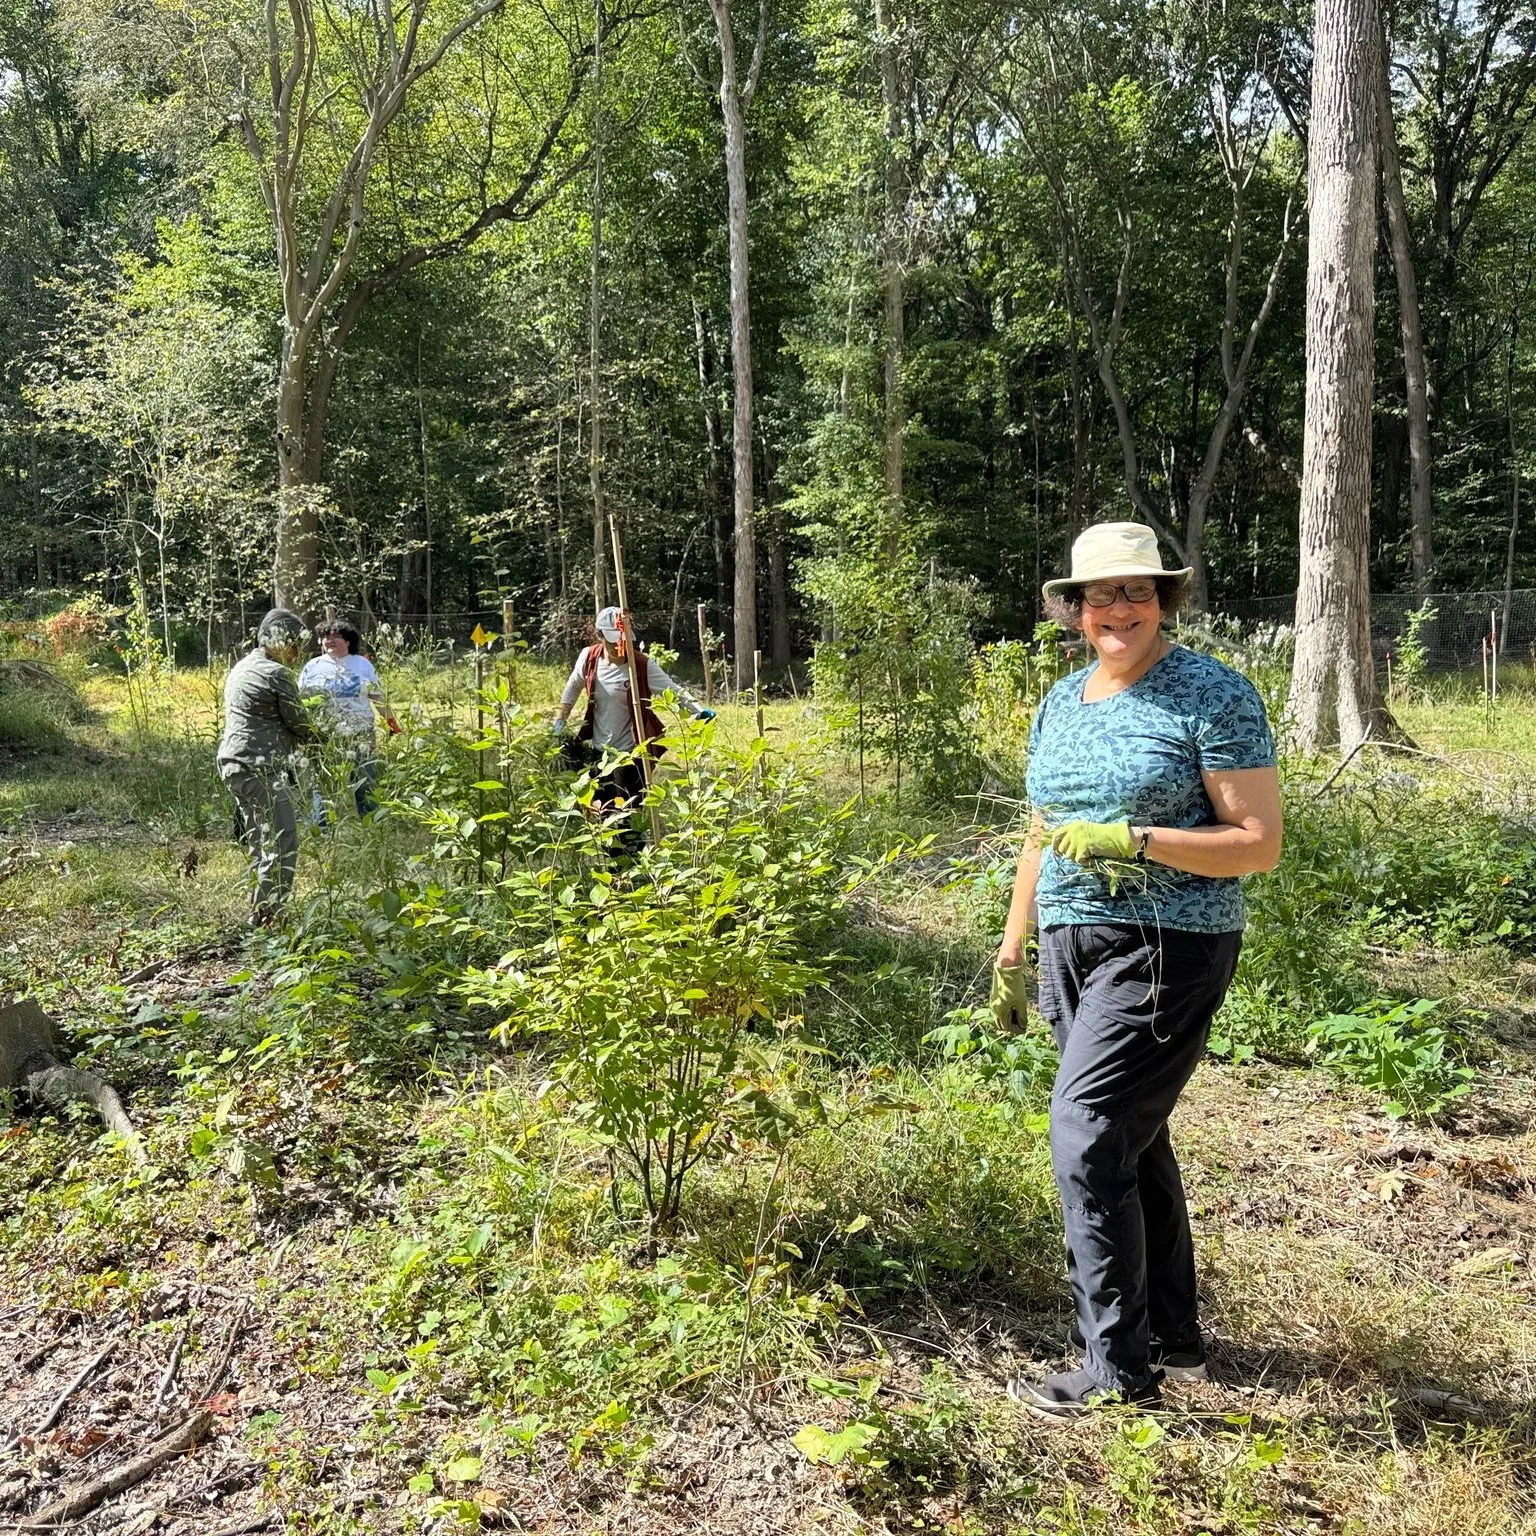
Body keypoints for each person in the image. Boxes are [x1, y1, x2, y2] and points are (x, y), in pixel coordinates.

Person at [996, 521, 1282, 1419]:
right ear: (1073, 609)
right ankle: (1175, 1336)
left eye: (1138, 591)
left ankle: (1118, 1369)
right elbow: (1040, 832)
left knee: (1087, 1133)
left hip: (1168, 945)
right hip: (1071, 941)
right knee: (1131, 1136)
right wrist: (1014, 942)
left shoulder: (1211, 695)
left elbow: (1257, 845)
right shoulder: (1058, 701)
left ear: (1165, 600)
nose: (1119, 608)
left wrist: (1139, 839)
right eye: (1100, 595)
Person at [552, 606, 715, 846]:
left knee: (629, 814)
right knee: (603, 812)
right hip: (599, 753)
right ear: (600, 636)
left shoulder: (640, 665)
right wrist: (560, 721)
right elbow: (572, 689)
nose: (620, 648)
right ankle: (614, 867)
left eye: (624, 640)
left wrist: (698, 711)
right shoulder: (589, 659)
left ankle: (635, 865)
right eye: (613, 642)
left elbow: (673, 690)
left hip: (632, 754)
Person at [217, 608, 317, 923]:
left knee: (261, 843)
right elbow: (300, 723)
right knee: (284, 841)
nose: (297, 654)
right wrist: (327, 737)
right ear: (278, 641)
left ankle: (257, 917)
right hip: (261, 767)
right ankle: (269, 918)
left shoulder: (242, 667)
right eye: (294, 645)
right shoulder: (276, 674)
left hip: (234, 764)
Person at [297, 618, 390, 820]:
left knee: (365, 778)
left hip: (360, 731)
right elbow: (300, 701)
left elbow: (377, 697)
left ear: (348, 641)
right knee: (323, 781)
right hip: (324, 733)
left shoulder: (362, 665)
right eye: (325, 637)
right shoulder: (312, 667)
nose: (329, 640)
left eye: (336, 636)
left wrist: (391, 722)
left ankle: (371, 821)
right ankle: (322, 826)